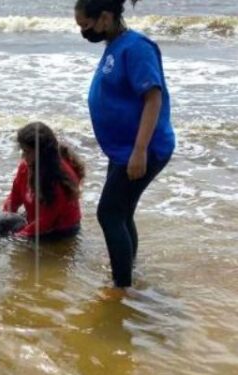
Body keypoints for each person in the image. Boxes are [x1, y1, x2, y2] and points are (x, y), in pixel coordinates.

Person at [75, 0, 176, 294]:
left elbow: (153, 98)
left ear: (105, 17)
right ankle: (127, 270)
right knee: (122, 211)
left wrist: (140, 150)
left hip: (145, 148)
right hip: (123, 149)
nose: (84, 32)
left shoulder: (137, 47)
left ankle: (121, 288)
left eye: (86, 25)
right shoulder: (116, 43)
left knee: (109, 213)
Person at [3, 122, 86, 239]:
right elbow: (15, 196)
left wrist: (16, 237)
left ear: (43, 153)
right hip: (38, 218)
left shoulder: (59, 180)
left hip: (60, 229)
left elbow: (46, 221)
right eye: (23, 151)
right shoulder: (26, 166)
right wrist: (6, 217)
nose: (24, 156)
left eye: (27, 152)